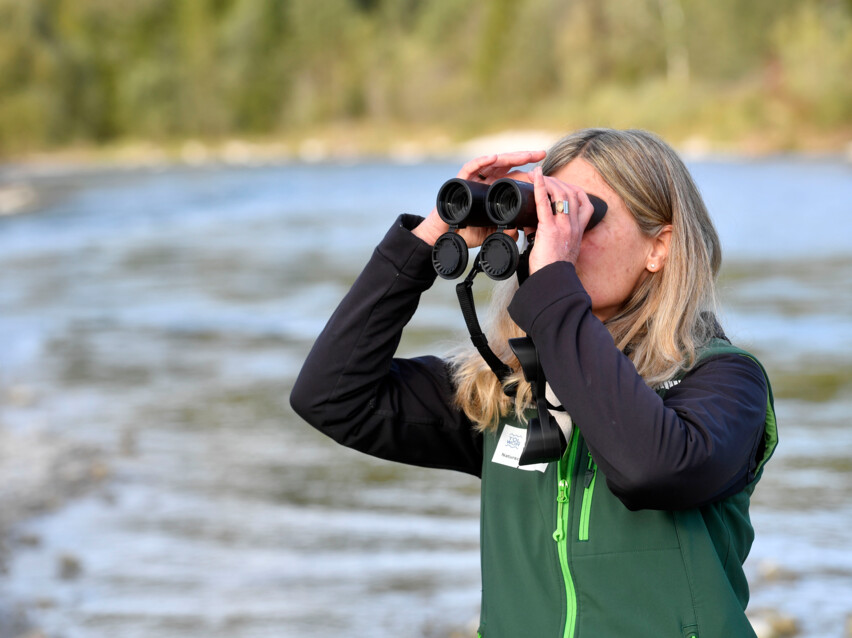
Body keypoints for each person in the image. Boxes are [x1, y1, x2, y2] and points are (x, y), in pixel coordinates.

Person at [290, 128, 777, 638]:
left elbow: (649, 469)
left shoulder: (723, 380)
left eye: (578, 216)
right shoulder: (510, 391)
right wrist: (431, 235)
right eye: (542, 215)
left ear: (660, 246)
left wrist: (553, 290)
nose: (553, 236)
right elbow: (330, 395)